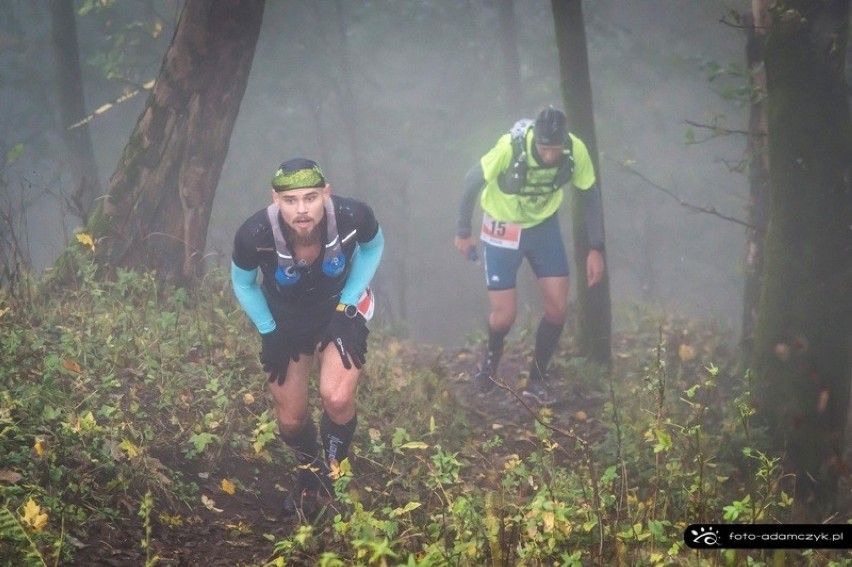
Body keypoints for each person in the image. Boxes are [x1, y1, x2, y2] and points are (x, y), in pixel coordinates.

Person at [230, 157, 384, 518]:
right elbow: (243, 282)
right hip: (285, 319)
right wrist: (269, 333)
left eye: (311, 198)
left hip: (339, 308)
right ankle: (308, 474)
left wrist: (347, 307)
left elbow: (373, 247)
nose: (301, 209)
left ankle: (333, 478)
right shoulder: (254, 234)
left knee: (337, 395)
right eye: (290, 200)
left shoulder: (352, 215)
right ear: (275, 199)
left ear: (325, 194)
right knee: (291, 419)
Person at [453, 107, 605, 405]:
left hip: (541, 226)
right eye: (545, 149)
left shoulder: (575, 150)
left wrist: (596, 247)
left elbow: (590, 194)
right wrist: (462, 231)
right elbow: (472, 180)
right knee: (504, 316)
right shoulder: (510, 147)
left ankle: (537, 377)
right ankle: (490, 362)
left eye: (555, 149)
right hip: (502, 226)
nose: (550, 156)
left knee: (557, 309)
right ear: (536, 140)